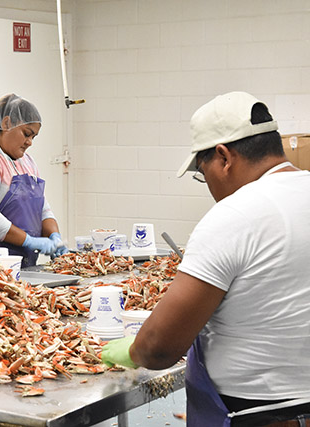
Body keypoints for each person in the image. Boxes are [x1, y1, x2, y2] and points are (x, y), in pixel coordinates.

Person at [101, 91, 310, 426]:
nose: (208, 185)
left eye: (202, 172)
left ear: (224, 157)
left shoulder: (234, 215)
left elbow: (160, 348)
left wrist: (131, 350)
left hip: (257, 415)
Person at [0, 93, 68, 267]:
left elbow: (43, 209)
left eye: (33, 137)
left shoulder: (27, 162)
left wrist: (55, 237)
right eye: (26, 134)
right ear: (6, 123)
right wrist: (29, 241)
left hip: (21, 264)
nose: (29, 142)